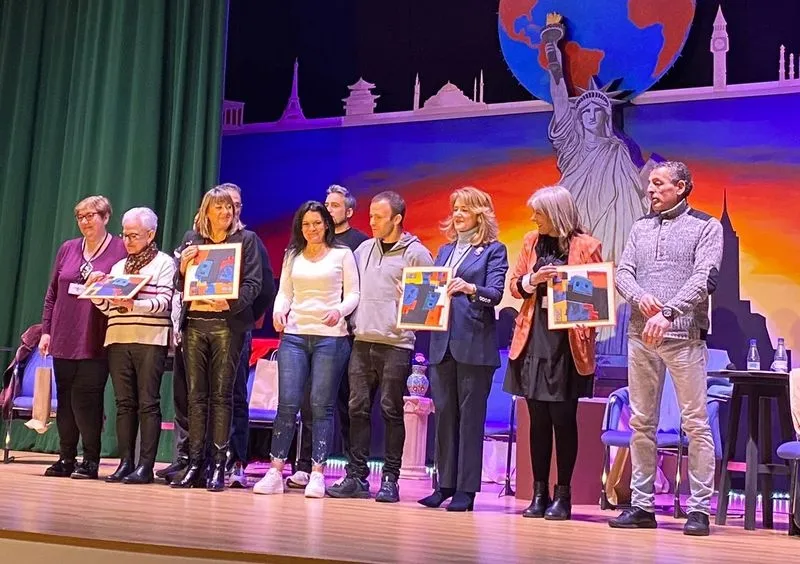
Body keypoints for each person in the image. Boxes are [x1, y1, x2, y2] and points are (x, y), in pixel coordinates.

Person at [609, 161, 722, 536]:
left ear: (682, 187)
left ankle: (699, 509)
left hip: (684, 336)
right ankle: (642, 505)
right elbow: (623, 272)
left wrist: (669, 312)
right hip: (641, 336)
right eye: (649, 185)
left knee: (695, 422)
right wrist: (639, 297)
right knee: (641, 422)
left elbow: (704, 278)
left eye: (658, 184)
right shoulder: (640, 227)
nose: (650, 190)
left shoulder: (706, 226)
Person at [327, 191, 434, 503]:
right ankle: (356, 476)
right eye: (371, 215)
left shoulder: (417, 254)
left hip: (396, 344)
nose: (372, 221)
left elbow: (429, 306)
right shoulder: (363, 250)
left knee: (390, 410)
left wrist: (410, 301)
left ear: (397, 219)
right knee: (356, 409)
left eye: (379, 216)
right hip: (362, 341)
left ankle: (390, 479)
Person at [503, 186, 602, 521]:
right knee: (538, 420)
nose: (534, 219)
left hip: (567, 343)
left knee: (563, 419)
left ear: (556, 214)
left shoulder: (587, 246)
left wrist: (572, 289)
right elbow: (514, 285)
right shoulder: (531, 241)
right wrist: (533, 279)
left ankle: (563, 495)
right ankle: (539, 492)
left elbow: (596, 297)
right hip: (534, 337)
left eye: (539, 213)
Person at [253, 201, 359, 498]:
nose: (312, 229)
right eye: (306, 224)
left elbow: (354, 293)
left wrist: (339, 311)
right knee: (287, 404)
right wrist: (279, 311)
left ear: (326, 224)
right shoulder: (293, 254)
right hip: (295, 336)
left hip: (330, 338)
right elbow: (285, 292)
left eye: (317, 223)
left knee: (321, 406)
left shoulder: (342, 254)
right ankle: (275, 471)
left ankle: (317, 473)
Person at [418, 187, 508, 512]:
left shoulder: (493, 251)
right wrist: (414, 294)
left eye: (465, 210)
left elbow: (495, 294)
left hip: (474, 346)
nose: (457, 215)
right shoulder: (444, 251)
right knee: (444, 416)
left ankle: (466, 490)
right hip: (441, 345)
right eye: (455, 209)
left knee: (470, 419)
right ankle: (443, 484)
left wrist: (471, 288)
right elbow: (432, 293)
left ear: (480, 214)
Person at [171, 187, 263, 491]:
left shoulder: (246, 240)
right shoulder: (192, 239)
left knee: (222, 396)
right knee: (196, 396)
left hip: (227, 326)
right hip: (195, 324)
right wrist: (182, 268)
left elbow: (254, 283)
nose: (226, 212)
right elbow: (179, 284)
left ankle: (219, 465)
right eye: (219, 208)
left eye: (229, 208)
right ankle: (195, 464)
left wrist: (231, 302)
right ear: (206, 212)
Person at [39, 196, 126, 479]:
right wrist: (46, 330)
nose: (85, 221)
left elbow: (125, 288)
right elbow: (52, 293)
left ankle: (90, 460)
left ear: (105, 217)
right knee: (65, 399)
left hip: (95, 336)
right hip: (63, 334)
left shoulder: (119, 249)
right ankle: (66, 457)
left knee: (87, 399)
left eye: (91, 216)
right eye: (80, 217)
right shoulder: (68, 248)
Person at [286, 184, 368, 489]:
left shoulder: (357, 245)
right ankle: (304, 465)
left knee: (346, 404)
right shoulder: (305, 248)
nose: (329, 210)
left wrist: (343, 313)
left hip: (344, 335)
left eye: (335, 206)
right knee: (311, 402)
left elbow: (358, 290)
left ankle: (351, 469)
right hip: (309, 332)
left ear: (349, 211)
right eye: (327, 205)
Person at [88, 207, 175, 484]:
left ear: (151, 234)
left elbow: (165, 303)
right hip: (118, 338)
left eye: (134, 235)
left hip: (150, 339)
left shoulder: (164, 263)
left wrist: (134, 304)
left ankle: (145, 466)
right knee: (124, 403)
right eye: (124, 235)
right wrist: (95, 293)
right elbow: (109, 309)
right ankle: (125, 462)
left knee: (148, 402)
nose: (127, 240)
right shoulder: (118, 267)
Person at [218, 183, 275, 489]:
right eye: (226, 204)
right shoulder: (205, 240)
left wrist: (246, 315)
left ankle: (236, 460)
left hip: (237, 328)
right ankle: (201, 458)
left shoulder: (249, 240)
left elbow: (265, 288)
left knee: (236, 393)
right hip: (203, 327)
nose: (232, 209)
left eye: (237, 204)